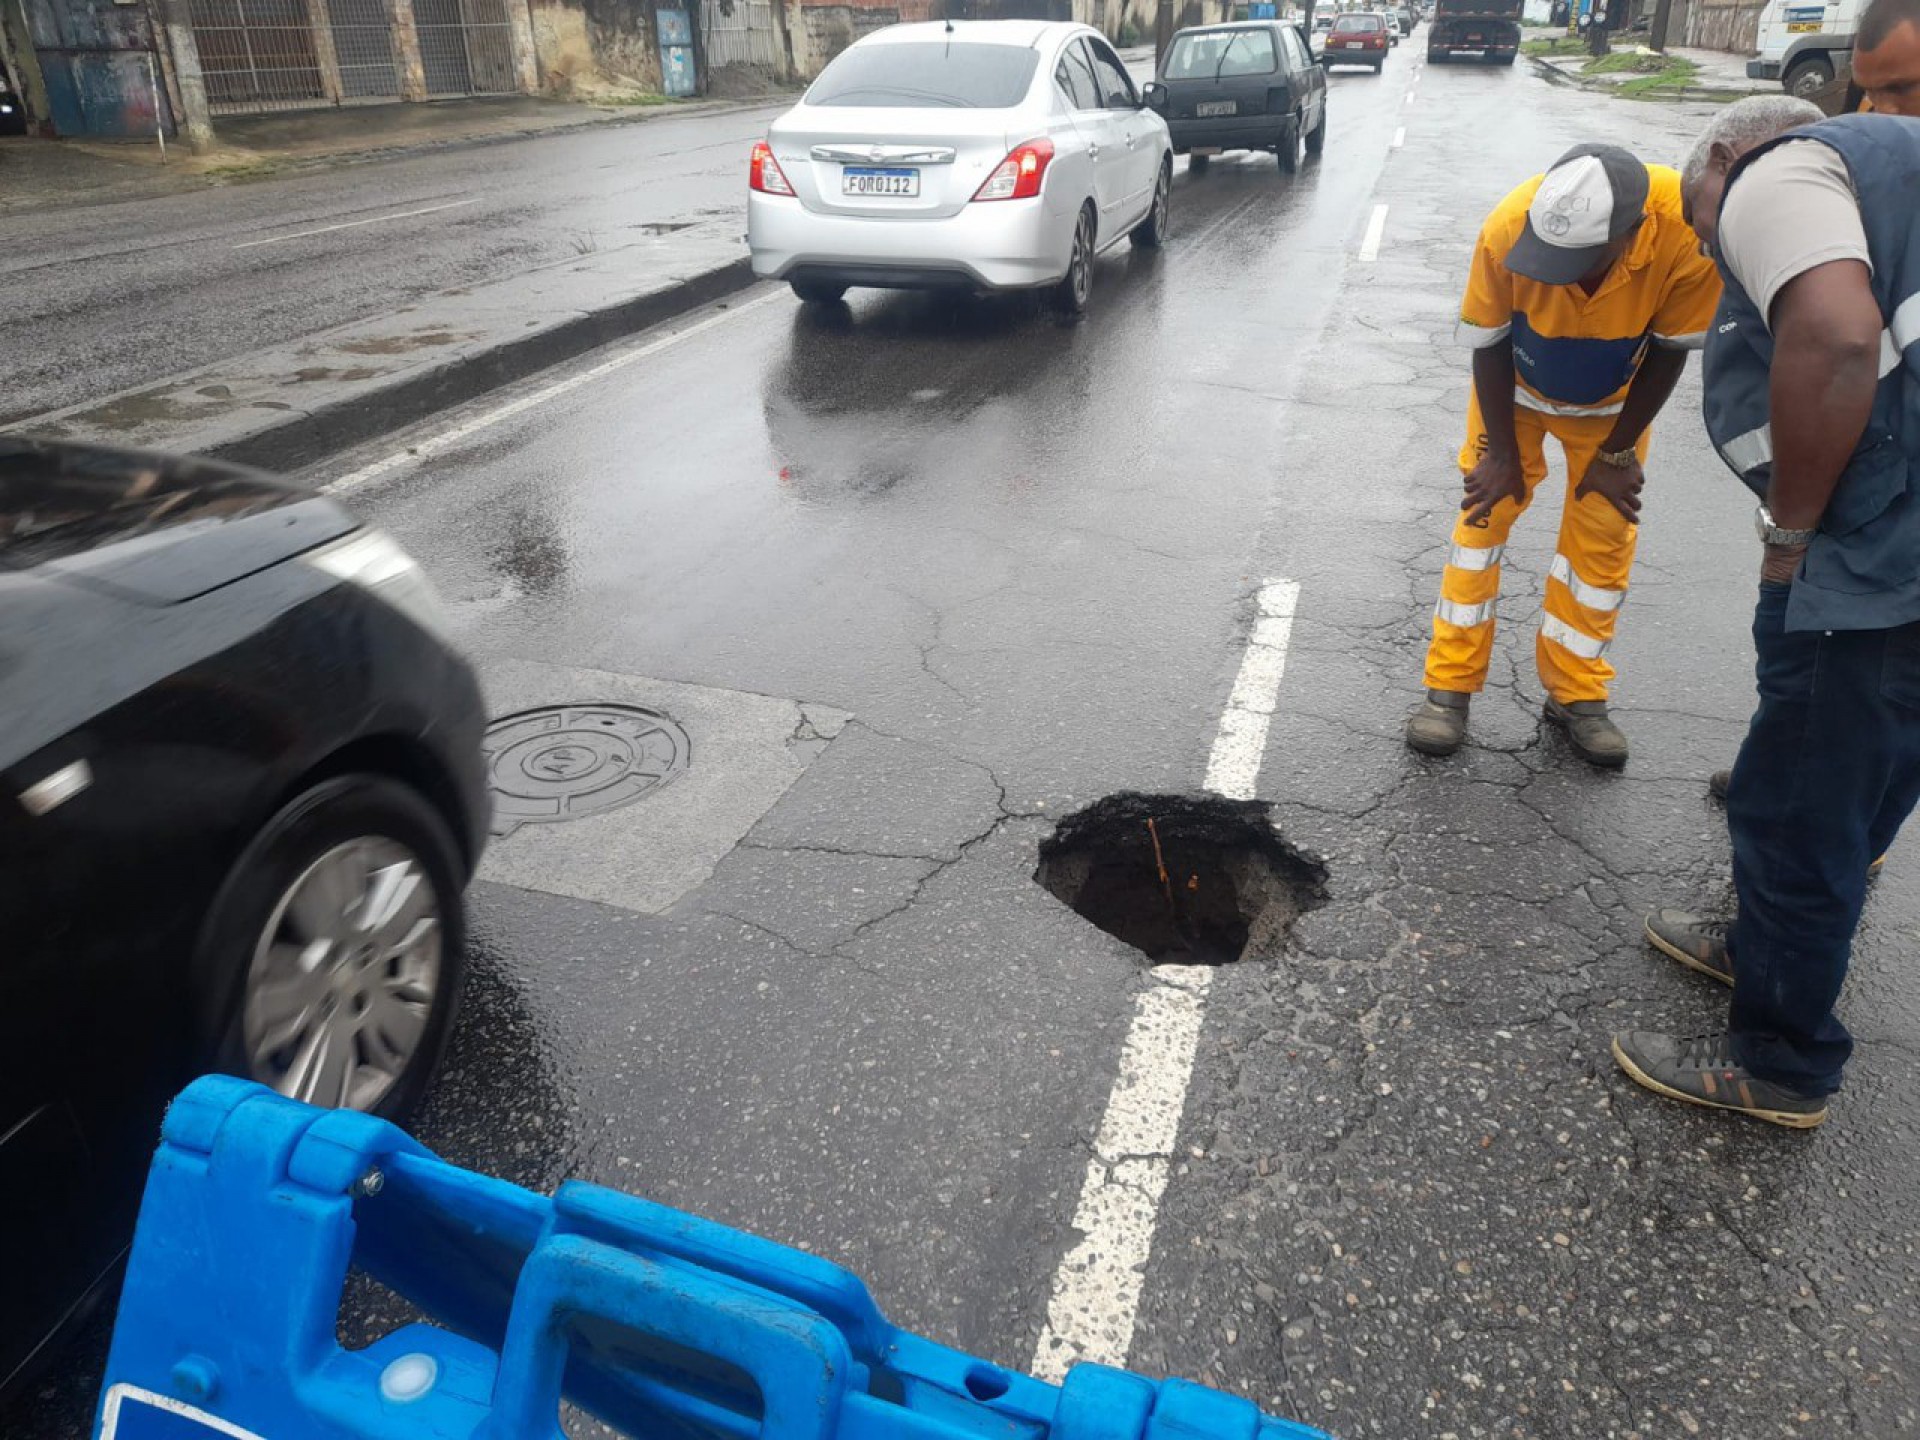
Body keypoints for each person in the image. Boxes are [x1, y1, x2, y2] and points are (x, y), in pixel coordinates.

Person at [1617, 96, 1920, 1129]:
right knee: (1870, 771)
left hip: (1881, 570)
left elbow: (1836, 339)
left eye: (1706, 223)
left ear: (1726, 161)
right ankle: (1766, 951)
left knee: (1799, 800)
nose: (1713, 243)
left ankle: (1783, 1063)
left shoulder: (1777, 175)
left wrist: (1790, 536)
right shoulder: (1895, 180)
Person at [1405, 145, 1721, 767]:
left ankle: (1577, 694)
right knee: (1481, 520)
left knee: (1603, 536)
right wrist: (1498, 455)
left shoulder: (1685, 230)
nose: (1559, 273)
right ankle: (1449, 689)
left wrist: (1620, 449)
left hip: (1614, 407)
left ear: (1630, 235)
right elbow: (1489, 342)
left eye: (1577, 261)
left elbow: (1670, 348)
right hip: (1512, 396)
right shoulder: (1507, 227)